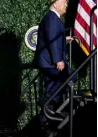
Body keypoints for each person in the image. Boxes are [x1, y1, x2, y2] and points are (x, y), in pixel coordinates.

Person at [33, 0, 77, 133]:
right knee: (71, 76)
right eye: (64, 2)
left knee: (53, 85)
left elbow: (53, 38)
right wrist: (58, 60)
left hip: (47, 61)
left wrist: (65, 39)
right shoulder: (52, 18)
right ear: (55, 4)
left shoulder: (53, 18)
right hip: (49, 61)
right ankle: (47, 103)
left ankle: (45, 119)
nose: (66, 5)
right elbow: (52, 39)